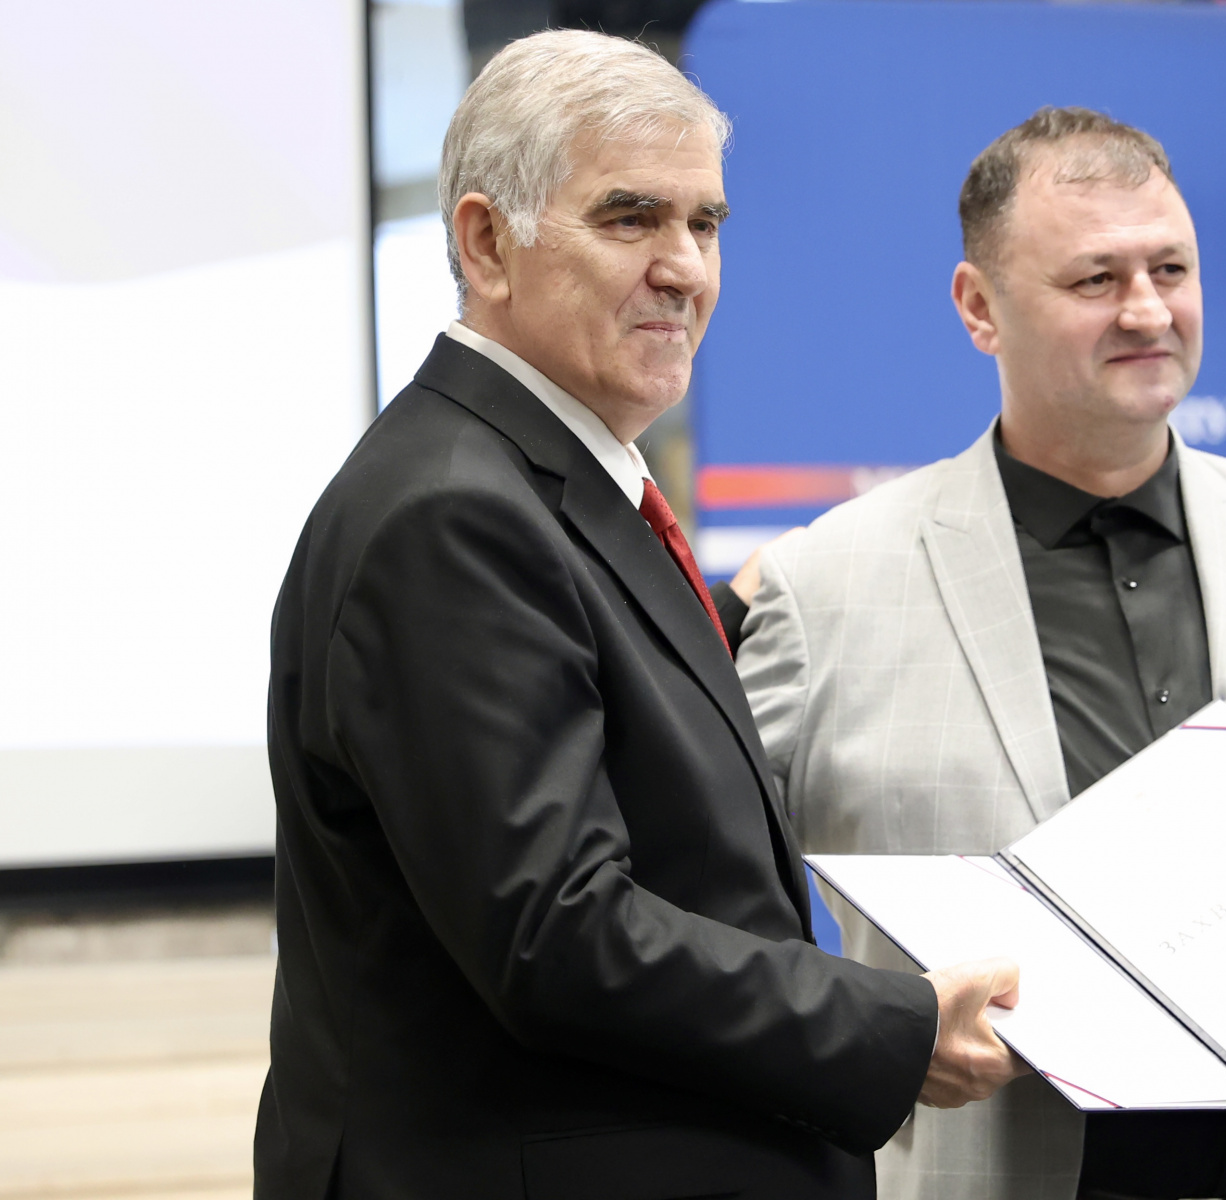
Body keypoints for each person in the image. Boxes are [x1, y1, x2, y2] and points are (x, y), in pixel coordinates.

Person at [255, 31, 1025, 1200]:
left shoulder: (537, 479)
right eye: (630, 219)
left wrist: (753, 605)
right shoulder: (453, 516)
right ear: (485, 242)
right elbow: (557, 932)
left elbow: (593, 690)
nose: (686, 269)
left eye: (705, 224)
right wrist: (892, 1027)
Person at [729, 108, 1226, 1200]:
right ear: (979, 308)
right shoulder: (826, 583)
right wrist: (865, 1040)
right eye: (1096, 279)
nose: (1147, 310)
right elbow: (709, 896)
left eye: (1169, 269)